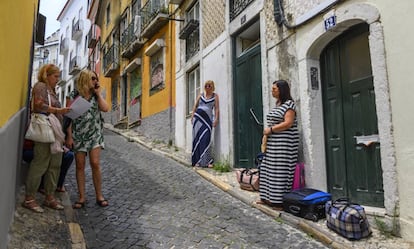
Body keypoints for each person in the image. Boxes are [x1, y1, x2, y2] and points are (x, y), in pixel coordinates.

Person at [23, 64, 71, 213]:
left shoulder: (52, 91)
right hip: (44, 130)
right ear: (46, 75)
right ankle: (29, 198)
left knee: (54, 165)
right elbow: (38, 105)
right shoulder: (40, 86)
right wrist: (58, 110)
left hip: (55, 133)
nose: (58, 79)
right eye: (55, 76)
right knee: (40, 164)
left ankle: (49, 197)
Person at [66, 69, 109, 209]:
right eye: (93, 79)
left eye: (96, 79)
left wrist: (98, 94)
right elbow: (68, 118)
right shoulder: (73, 95)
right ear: (85, 79)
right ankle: (82, 197)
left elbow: (105, 108)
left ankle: (99, 195)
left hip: (95, 133)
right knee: (80, 165)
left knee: (95, 163)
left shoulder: (96, 96)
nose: (96, 81)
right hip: (78, 134)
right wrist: (69, 136)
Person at [256, 80, 299, 210]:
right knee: (267, 170)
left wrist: (271, 130)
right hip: (273, 144)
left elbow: (288, 123)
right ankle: (267, 198)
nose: (272, 91)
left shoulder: (289, 105)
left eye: (274, 89)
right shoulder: (278, 104)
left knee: (280, 171)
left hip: (284, 145)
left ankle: (279, 202)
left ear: (282, 90)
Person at [191, 80, 220, 168]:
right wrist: (192, 115)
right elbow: (195, 106)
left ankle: (207, 162)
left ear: (212, 87)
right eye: (206, 86)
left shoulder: (215, 96)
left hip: (207, 121)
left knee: (206, 139)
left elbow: (217, 109)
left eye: (209, 86)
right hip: (198, 120)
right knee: (197, 139)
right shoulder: (200, 95)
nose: (207, 87)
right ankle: (197, 161)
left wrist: (216, 119)